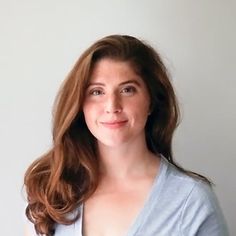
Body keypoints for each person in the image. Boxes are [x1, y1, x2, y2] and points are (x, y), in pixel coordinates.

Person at [24, 35, 229, 236]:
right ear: (80, 105)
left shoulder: (191, 202)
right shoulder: (50, 190)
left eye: (127, 90)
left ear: (151, 101)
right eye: (97, 92)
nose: (112, 106)